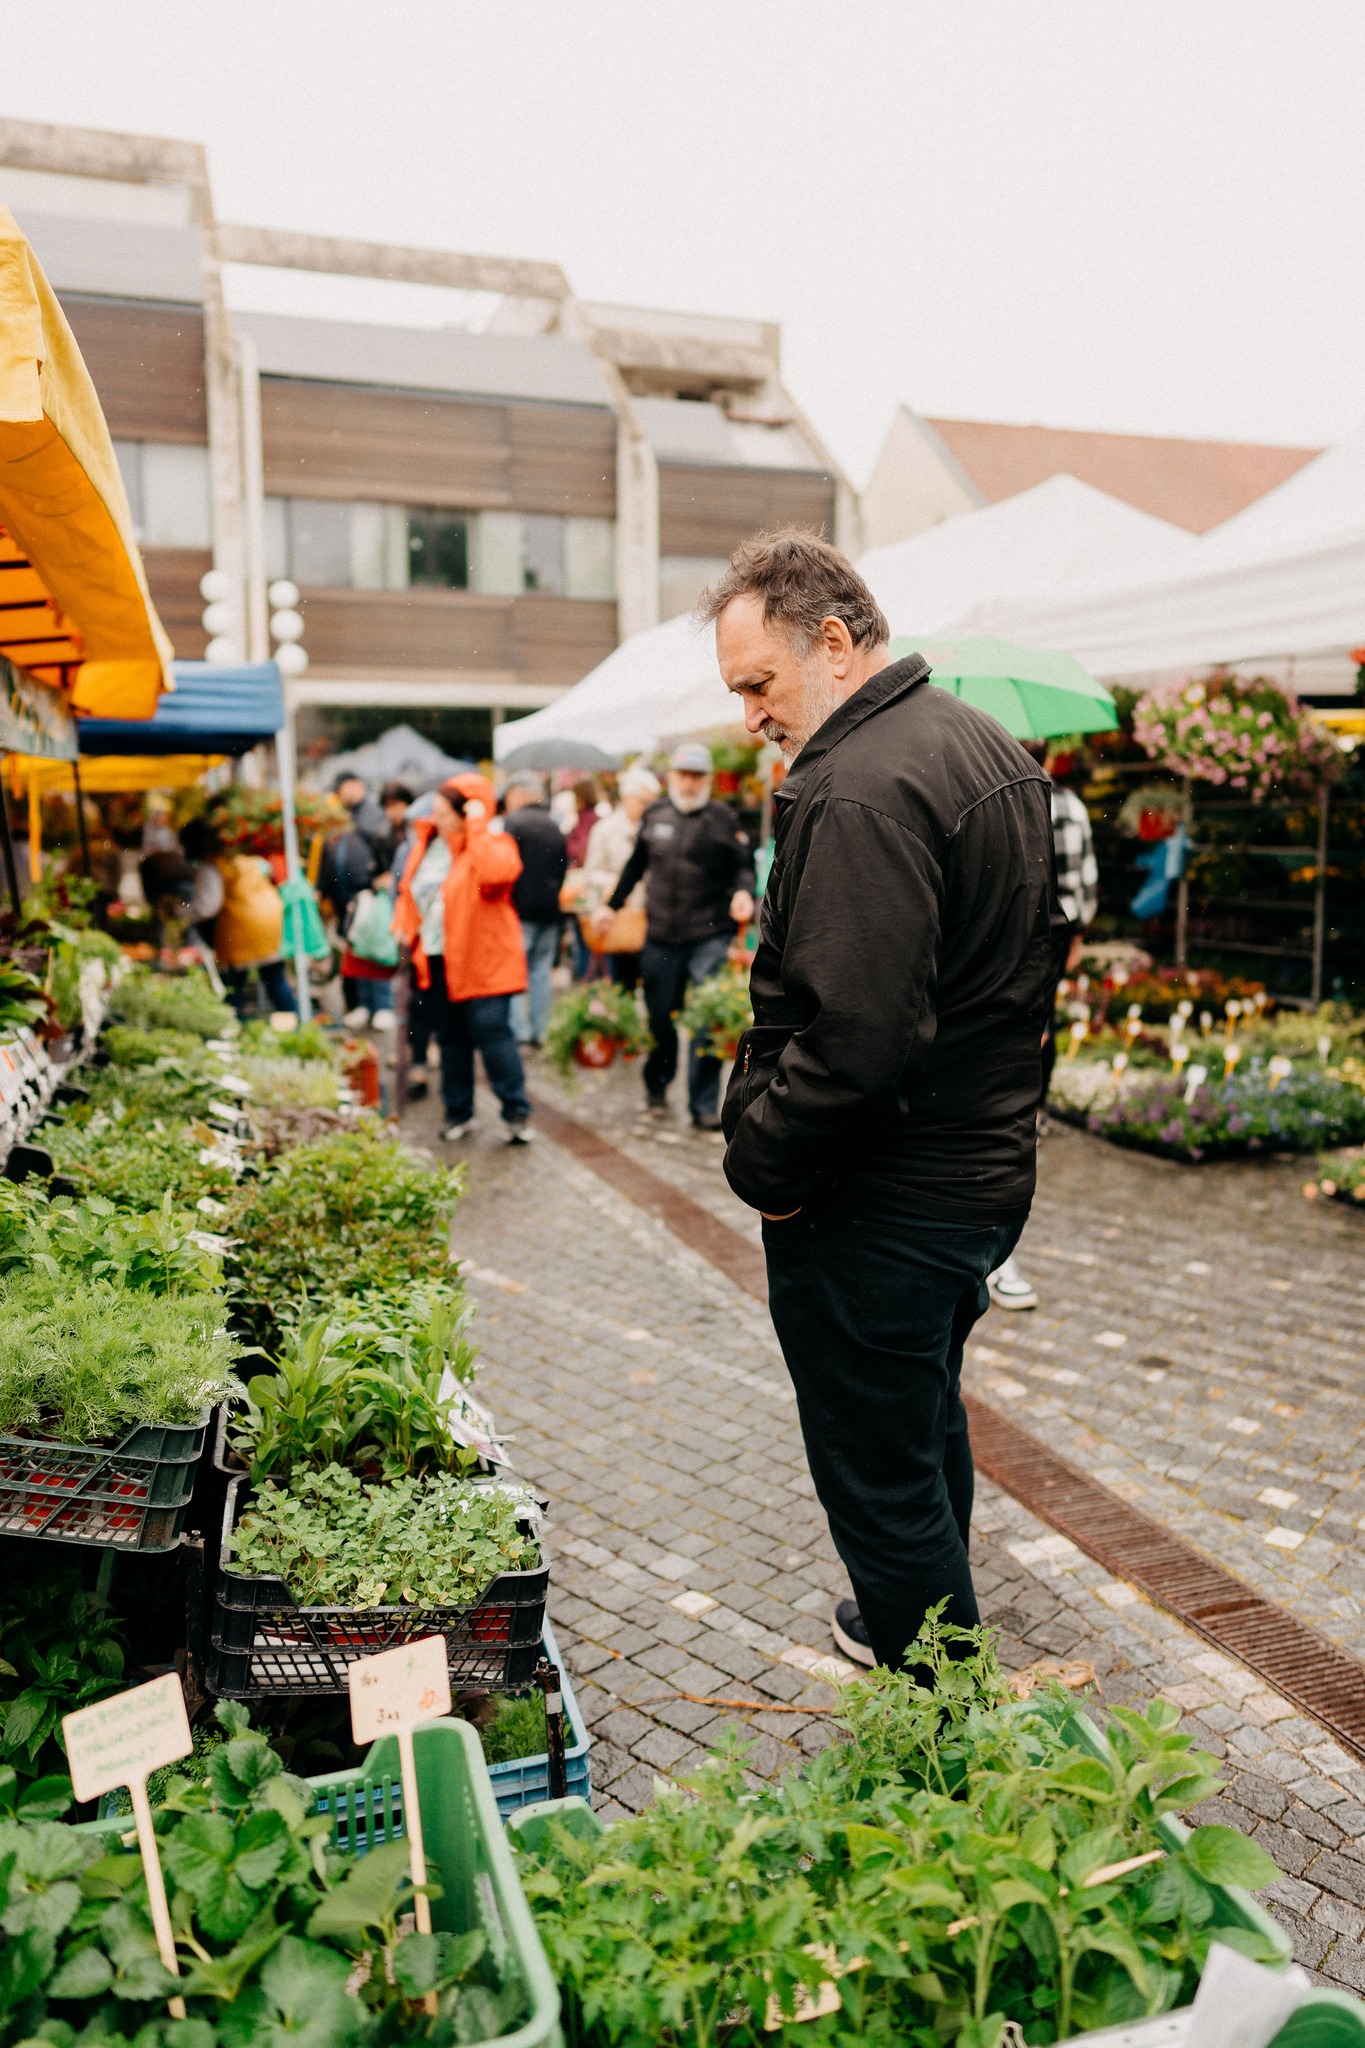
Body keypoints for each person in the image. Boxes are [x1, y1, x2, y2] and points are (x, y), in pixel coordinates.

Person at [705, 531, 1057, 1675]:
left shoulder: (858, 784)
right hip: (973, 1178)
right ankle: (912, 1620)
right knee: (918, 1417)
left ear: (837, 644)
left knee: (880, 1462)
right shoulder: (984, 744)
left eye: (760, 683)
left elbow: (856, 1040)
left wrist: (765, 1166)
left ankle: (940, 1718)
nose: (752, 714)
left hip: (885, 1196)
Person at [986, 745, 1099, 1313]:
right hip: (1031, 941)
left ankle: (996, 1251)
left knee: (1010, 1058)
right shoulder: (1065, 804)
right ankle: (1032, 1108)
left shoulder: (987, 795)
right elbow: (1080, 885)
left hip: (1011, 946)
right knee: (1022, 1052)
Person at [599, 742, 754, 1129]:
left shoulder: (723, 818)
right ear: (671, 778)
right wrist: (611, 906)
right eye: (683, 775)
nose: (689, 783)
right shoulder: (654, 814)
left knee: (706, 1019)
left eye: (697, 776)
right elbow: (635, 867)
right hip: (660, 937)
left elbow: (743, 868)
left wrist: (742, 893)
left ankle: (702, 1106)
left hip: (709, 935)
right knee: (658, 1019)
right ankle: (657, 1087)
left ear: (708, 780)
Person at [392, 773, 533, 1144]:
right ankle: (458, 1112)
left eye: (444, 811)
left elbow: (495, 874)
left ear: (466, 811)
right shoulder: (427, 845)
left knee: (492, 1034)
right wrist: (403, 925)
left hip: (482, 960)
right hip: (437, 960)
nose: (436, 817)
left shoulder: (491, 842)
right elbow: (409, 892)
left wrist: (477, 823)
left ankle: (516, 1112)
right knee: (451, 1038)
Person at [580, 765, 661, 992]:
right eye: (643, 802)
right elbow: (591, 872)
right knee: (623, 976)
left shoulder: (655, 826)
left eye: (651, 802)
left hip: (651, 915)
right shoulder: (605, 829)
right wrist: (615, 882)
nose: (648, 808)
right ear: (627, 798)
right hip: (622, 917)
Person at [502, 771, 567, 1047]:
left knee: (516, 972)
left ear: (518, 795)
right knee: (541, 972)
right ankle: (540, 1030)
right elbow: (563, 867)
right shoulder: (554, 825)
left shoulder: (513, 823)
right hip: (550, 910)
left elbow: (504, 868)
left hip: (519, 910)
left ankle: (519, 1030)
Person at [212, 842, 297, 1017]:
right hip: (270, 920)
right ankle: (295, 1021)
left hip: (241, 925)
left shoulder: (220, 865)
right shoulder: (253, 861)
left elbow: (212, 902)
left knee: (233, 984)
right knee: (275, 978)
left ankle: (234, 1026)